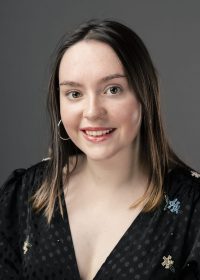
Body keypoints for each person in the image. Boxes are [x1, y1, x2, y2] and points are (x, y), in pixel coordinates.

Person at [0, 19, 200, 280]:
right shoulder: (25, 194)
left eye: (113, 89)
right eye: (74, 93)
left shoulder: (192, 209)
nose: (92, 112)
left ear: (145, 97)